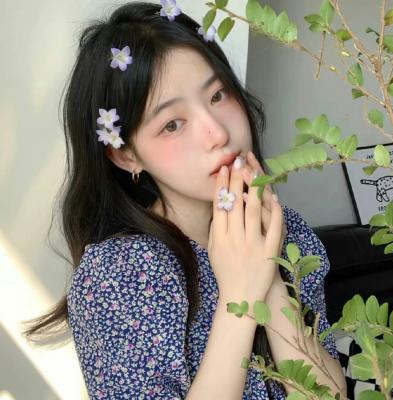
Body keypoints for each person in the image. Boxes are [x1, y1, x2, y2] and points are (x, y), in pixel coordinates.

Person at [23, 1, 346, 398]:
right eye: (173, 124)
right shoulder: (119, 275)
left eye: (218, 95)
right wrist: (240, 295)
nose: (217, 133)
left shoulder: (288, 231)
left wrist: (271, 280)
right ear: (126, 156)